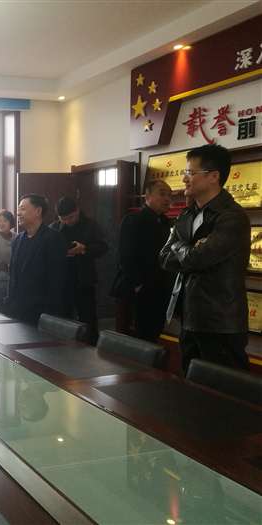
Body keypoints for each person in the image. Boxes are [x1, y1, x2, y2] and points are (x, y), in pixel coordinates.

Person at [160, 144, 251, 372]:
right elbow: (164, 257)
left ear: (213, 177)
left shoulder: (232, 216)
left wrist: (180, 246)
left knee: (225, 388)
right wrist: (188, 249)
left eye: (190, 173)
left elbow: (197, 259)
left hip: (220, 322)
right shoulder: (187, 214)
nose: (184, 179)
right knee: (191, 385)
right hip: (189, 317)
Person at [112, 180, 174, 342]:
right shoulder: (134, 219)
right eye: (162, 194)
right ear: (147, 196)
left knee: (155, 330)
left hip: (161, 288)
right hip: (141, 289)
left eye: (169, 195)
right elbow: (125, 256)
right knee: (142, 334)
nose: (167, 199)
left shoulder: (166, 222)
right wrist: (138, 284)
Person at [49, 197, 108, 344]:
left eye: (71, 217)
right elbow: (46, 251)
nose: (67, 221)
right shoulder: (54, 228)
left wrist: (84, 249)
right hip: (62, 280)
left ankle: (91, 348)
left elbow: (103, 247)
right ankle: (63, 348)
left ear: (77, 210)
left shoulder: (91, 225)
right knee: (63, 317)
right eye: (63, 219)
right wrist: (62, 253)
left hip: (84, 279)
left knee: (88, 318)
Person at [6, 194, 67, 324]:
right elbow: (13, 275)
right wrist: (10, 302)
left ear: (38, 211)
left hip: (43, 310)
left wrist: (51, 313)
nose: (18, 213)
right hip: (19, 309)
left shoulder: (53, 239)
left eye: (23, 209)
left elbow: (57, 279)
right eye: (18, 209)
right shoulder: (17, 240)